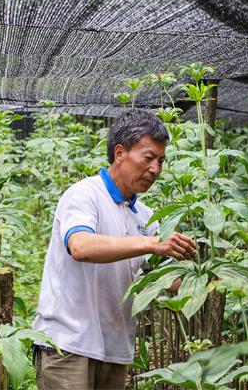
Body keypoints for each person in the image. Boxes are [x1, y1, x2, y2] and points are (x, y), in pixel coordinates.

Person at [32, 109, 197, 389]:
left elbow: (170, 279)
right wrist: (152, 244)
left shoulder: (146, 216)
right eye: (148, 158)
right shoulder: (84, 195)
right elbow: (81, 246)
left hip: (114, 350)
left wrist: (208, 279)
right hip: (67, 347)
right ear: (120, 153)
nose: (155, 169)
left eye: (160, 161)